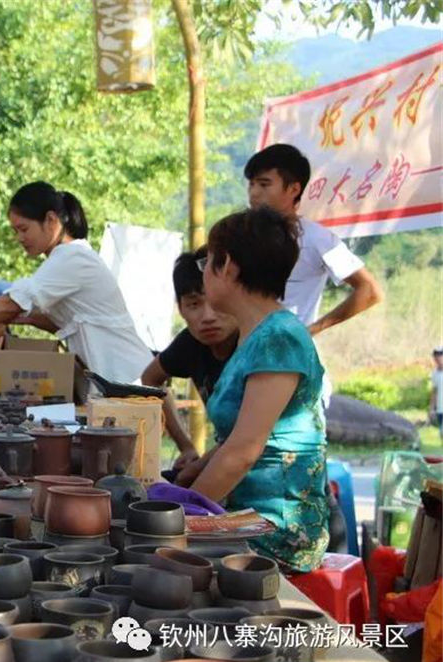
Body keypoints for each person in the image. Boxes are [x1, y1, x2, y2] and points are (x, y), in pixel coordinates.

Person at [176, 207, 329, 573]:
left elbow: (243, 452)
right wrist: (193, 472)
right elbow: (239, 438)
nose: (204, 275)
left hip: (277, 527)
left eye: (207, 264)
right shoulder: (256, 335)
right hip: (245, 513)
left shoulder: (279, 338)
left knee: (147, 555)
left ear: (228, 267)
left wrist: (178, 519)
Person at [0, 182, 152, 384]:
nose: (19, 238)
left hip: (128, 379)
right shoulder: (69, 257)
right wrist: (22, 318)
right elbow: (62, 323)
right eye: (15, 231)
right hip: (117, 379)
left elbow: (11, 304)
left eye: (24, 229)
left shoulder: (72, 257)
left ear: (51, 220)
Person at [245, 143, 382, 335]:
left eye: (264, 184)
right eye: (251, 184)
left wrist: (310, 331)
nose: (254, 193)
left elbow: (369, 290)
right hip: (243, 347)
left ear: (293, 189)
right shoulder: (239, 235)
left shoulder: (317, 238)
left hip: (290, 348)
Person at [140, 246, 239, 468]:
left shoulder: (258, 344)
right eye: (194, 304)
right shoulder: (190, 343)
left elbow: (248, 439)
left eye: (217, 302)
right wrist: (185, 446)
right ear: (181, 308)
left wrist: (198, 468)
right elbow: (150, 379)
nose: (208, 316)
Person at [431, 347, 443, 441]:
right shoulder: (435, 373)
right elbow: (434, 392)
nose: (437, 360)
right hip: (440, 409)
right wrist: (431, 409)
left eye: (439, 357)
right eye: (435, 358)